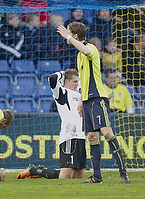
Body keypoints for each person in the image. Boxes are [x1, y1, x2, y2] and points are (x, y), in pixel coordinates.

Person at [57, 21, 130, 183]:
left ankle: (123, 172)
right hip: (87, 99)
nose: (66, 36)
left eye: (69, 33)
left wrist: (68, 38)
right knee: (91, 137)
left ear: (75, 35)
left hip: (98, 97)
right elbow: (84, 79)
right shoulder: (78, 55)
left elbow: (84, 49)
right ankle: (97, 176)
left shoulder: (91, 49)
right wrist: (81, 100)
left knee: (107, 133)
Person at [17, 69, 86, 179]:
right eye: (74, 81)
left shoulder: (80, 95)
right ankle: (35, 171)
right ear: (66, 81)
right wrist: (64, 73)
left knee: (78, 175)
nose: (77, 84)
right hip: (70, 136)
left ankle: (36, 170)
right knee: (66, 175)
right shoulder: (62, 93)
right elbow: (52, 78)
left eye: (78, 81)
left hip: (81, 136)